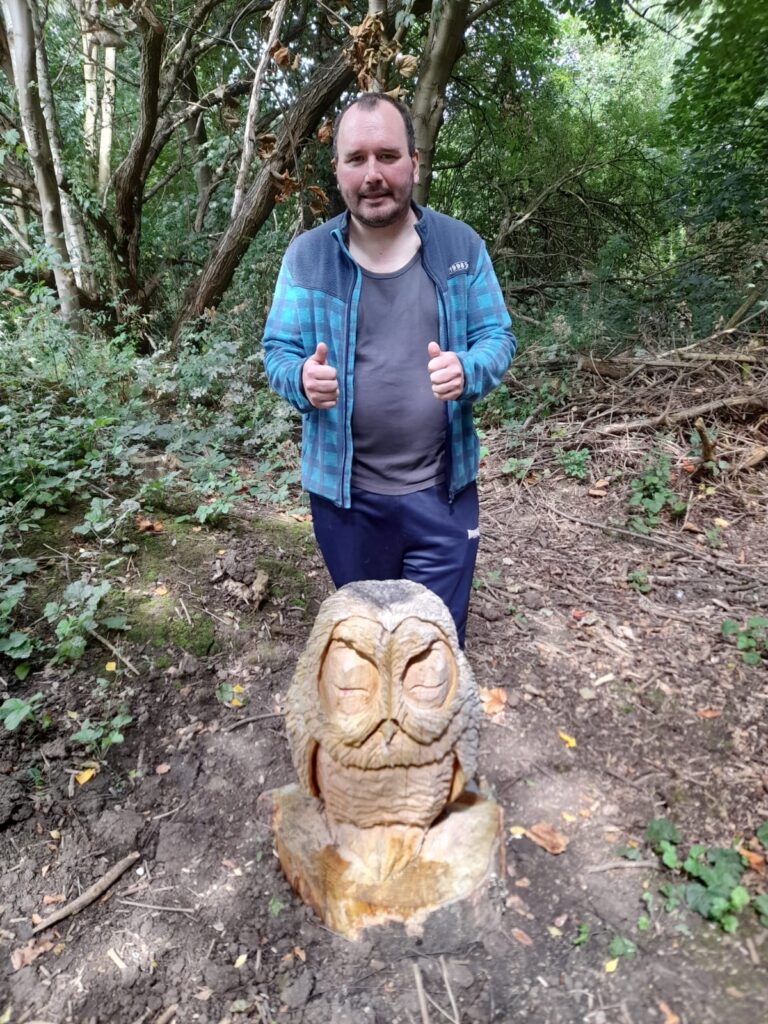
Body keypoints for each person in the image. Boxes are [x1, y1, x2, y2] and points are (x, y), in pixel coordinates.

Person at [263, 93, 515, 647]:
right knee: (368, 643)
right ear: (337, 170)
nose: (373, 174)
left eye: (387, 155)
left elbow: (498, 337)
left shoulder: (459, 246)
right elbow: (276, 350)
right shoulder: (306, 258)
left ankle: (428, 734)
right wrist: (301, 379)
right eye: (356, 159)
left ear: (414, 162)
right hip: (345, 502)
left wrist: (469, 368)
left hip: (443, 495)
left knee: (432, 649)